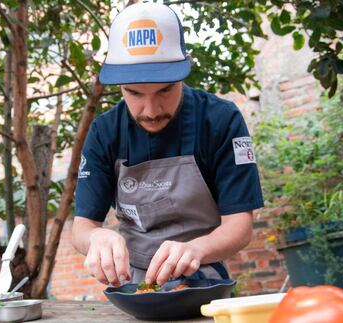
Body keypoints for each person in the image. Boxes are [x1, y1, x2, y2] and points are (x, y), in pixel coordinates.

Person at [72, 2, 264, 288]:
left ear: (184, 69)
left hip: (204, 279)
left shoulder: (220, 120)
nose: (150, 110)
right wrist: (97, 237)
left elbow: (239, 226)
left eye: (165, 89)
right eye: (134, 93)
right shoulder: (104, 132)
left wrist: (195, 250)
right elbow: (82, 227)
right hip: (132, 285)